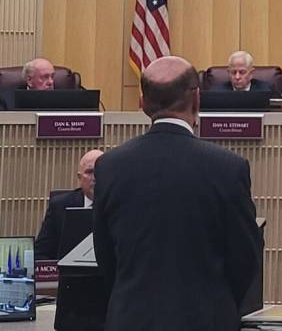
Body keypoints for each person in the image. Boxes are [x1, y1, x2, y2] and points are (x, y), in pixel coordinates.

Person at [93, 56, 262, 331]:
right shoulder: (228, 168)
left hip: (131, 319)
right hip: (206, 319)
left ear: (142, 104)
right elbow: (246, 258)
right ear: (197, 100)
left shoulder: (109, 167)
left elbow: (105, 257)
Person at [35, 149, 103, 260]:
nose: (95, 177)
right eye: (89, 172)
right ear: (79, 178)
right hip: (70, 274)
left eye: (100, 171)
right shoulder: (59, 206)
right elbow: (41, 253)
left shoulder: (122, 205)